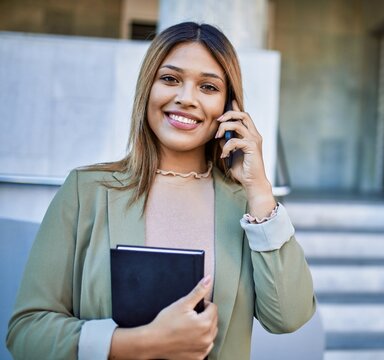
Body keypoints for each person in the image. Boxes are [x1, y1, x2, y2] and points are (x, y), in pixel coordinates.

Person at [6, 22, 316, 360]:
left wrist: (259, 191)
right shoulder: (86, 192)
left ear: (229, 108)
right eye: (170, 79)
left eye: (208, 87)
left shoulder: (247, 208)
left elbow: (289, 317)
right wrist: (142, 342)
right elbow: (26, 332)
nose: (186, 98)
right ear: (147, 89)